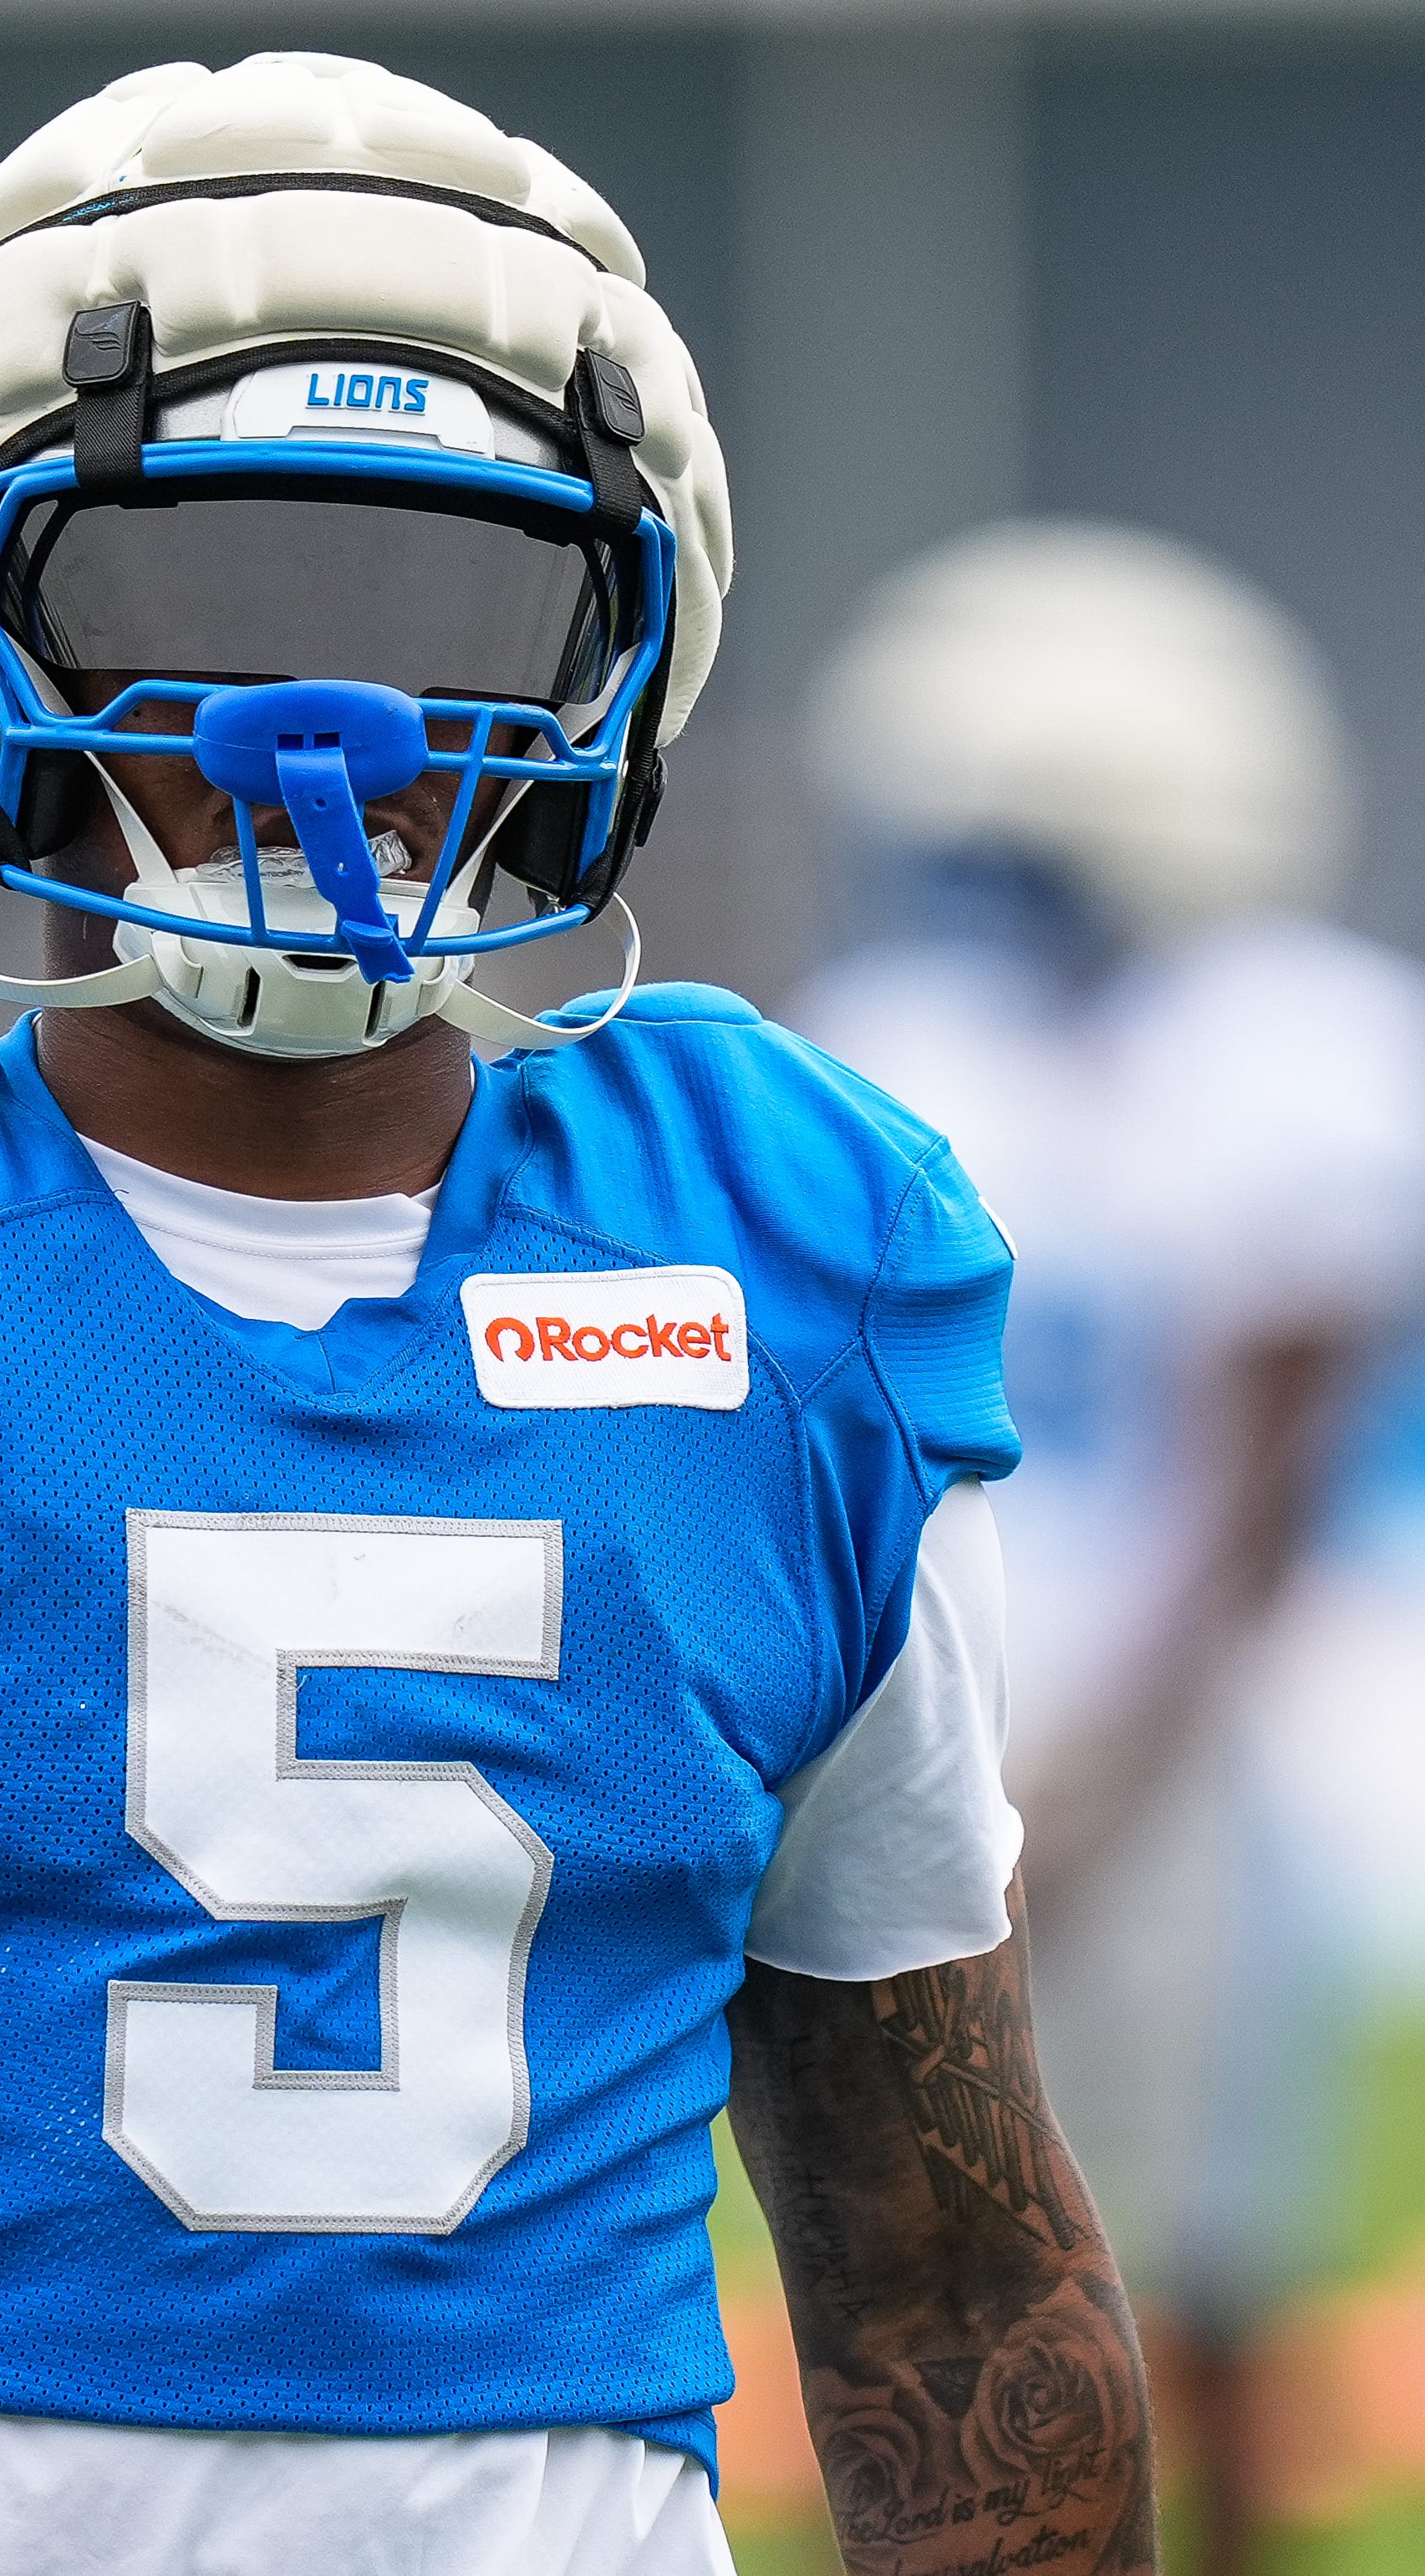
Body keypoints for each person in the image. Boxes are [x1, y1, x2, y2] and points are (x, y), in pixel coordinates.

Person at [0, 52, 1153, 2576]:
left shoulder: (773, 1264)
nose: (350, 735)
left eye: (454, 606)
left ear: (612, 658)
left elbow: (946, 2266)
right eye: (206, 612)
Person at [791, 522, 1425, 2576]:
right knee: (918, 2247)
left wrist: (1094, 1778)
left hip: (1170, 1732)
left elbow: (1259, 1480)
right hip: (920, 1702)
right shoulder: (892, 1026)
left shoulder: (1291, 1041)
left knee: (1191, 2257)